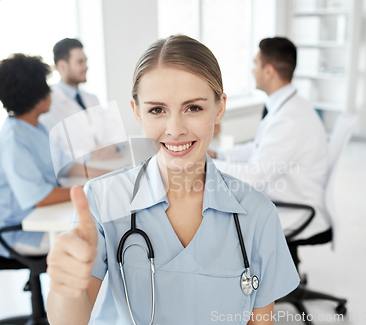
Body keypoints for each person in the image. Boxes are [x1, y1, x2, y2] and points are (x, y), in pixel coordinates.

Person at [46, 35, 299, 325]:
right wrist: (65, 286)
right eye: (157, 110)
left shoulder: (257, 214)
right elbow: (68, 321)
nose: (175, 129)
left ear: (219, 108)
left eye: (193, 108)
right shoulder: (103, 200)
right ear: (137, 112)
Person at [0, 54, 108, 258]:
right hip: (21, 231)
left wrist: (110, 175)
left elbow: (67, 166)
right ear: (35, 95)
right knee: (95, 238)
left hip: (39, 217)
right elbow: (41, 198)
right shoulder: (13, 139)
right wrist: (91, 190)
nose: (50, 92)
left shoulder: (35, 126)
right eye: (45, 87)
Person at [209, 37, 329, 246]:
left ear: (269, 71)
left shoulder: (289, 120)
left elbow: (252, 177)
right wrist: (218, 155)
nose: (252, 70)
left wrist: (202, 163)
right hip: (286, 195)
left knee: (216, 217)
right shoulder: (289, 106)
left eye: (256, 64)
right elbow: (258, 148)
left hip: (293, 208)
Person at [39, 38, 120, 160]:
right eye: (80, 62)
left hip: (103, 167)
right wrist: (89, 154)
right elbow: (52, 151)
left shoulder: (92, 99)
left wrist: (113, 145)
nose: (86, 67)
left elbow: (113, 130)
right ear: (62, 66)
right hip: (74, 174)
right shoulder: (48, 103)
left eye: (86, 61)